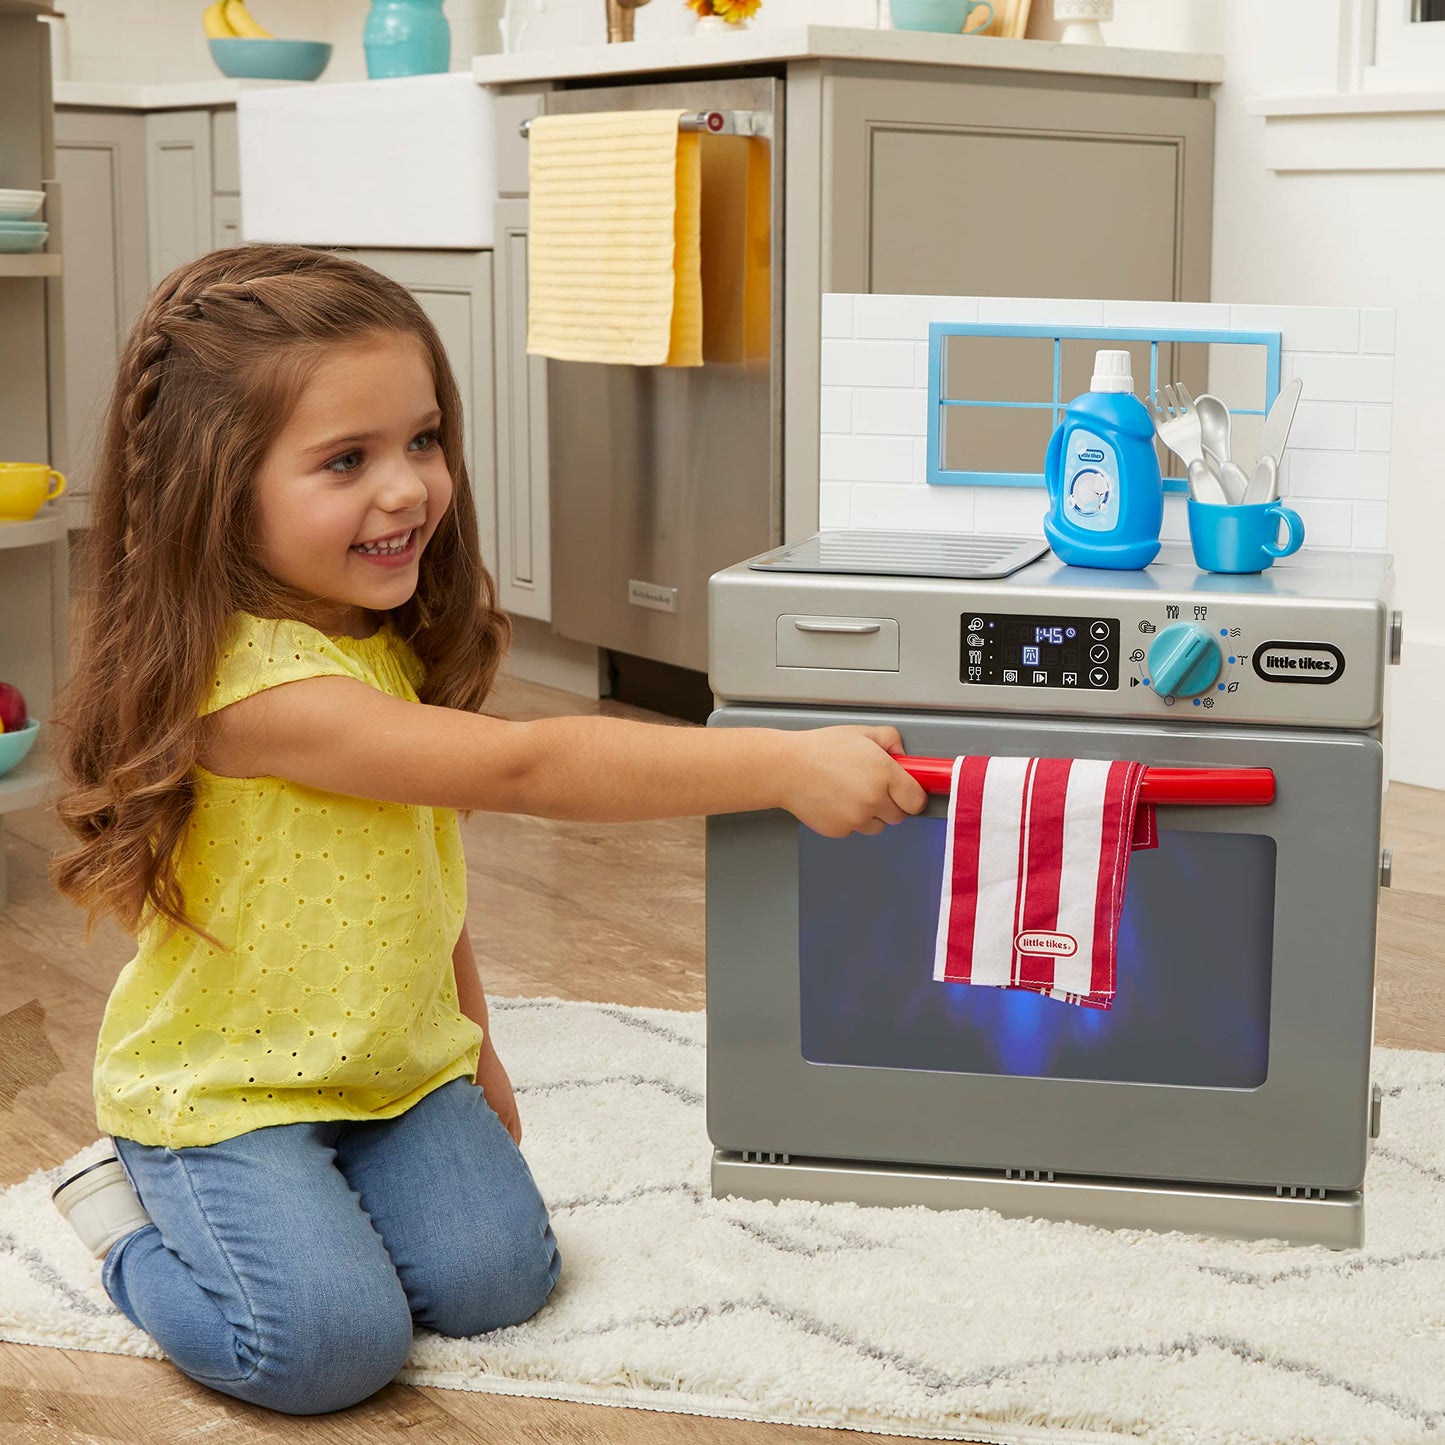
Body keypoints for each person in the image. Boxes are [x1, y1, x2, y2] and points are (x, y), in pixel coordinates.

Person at [46, 244, 927, 1417]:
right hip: (227, 1092)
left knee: (497, 1280)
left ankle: (341, 1186)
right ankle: (116, 1221)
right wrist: (775, 764)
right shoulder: (257, 693)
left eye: (422, 439)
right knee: (322, 1346)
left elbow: (417, 873)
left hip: (390, 1071)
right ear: (219, 487)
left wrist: (472, 1044)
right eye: (346, 460)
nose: (407, 486)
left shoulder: (375, 639)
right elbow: (528, 763)